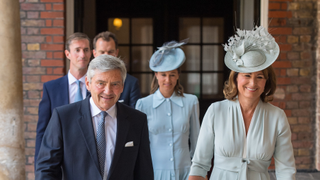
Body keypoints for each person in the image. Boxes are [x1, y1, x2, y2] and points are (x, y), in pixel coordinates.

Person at [189, 26, 296, 180]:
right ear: (236, 78)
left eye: (259, 77)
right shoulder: (216, 111)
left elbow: (286, 170)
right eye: (247, 75)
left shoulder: (277, 117)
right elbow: (199, 165)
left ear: (266, 81)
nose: (252, 83)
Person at [35, 54, 154, 180]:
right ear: (88, 83)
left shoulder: (137, 120)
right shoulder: (63, 118)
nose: (108, 91)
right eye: (101, 83)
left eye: (115, 84)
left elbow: (144, 172)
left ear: (122, 87)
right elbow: (46, 168)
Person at [135, 41, 200, 180]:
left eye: (172, 74)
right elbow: (139, 147)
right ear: (156, 75)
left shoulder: (191, 101)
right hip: (154, 174)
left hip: (186, 173)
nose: (167, 80)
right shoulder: (143, 105)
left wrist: (198, 172)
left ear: (178, 75)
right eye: (163, 74)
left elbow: (196, 141)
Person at [35, 32, 91, 165]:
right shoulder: (51, 88)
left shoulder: (98, 87)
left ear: (91, 53)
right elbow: (42, 131)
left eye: (86, 50)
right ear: (67, 54)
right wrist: (39, 166)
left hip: (91, 161)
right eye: (77, 50)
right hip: (60, 161)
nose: (82, 55)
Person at [93, 31, 141, 108]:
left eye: (110, 52)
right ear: (94, 53)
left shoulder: (131, 83)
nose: (106, 56)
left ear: (116, 52)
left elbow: (134, 117)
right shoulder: (88, 81)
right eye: (102, 52)